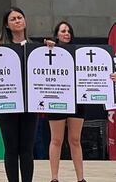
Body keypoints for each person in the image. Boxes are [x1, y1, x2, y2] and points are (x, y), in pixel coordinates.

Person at [0, 7, 36, 182]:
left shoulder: (35, 48)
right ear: (7, 25)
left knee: (27, 149)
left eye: (19, 17)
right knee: (11, 148)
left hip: (29, 104)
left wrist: (49, 50)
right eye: (13, 19)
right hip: (7, 104)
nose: (17, 21)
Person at [45, 21, 86, 182]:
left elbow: (92, 71)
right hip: (57, 98)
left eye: (69, 31)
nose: (67, 33)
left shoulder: (80, 53)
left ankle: (80, 178)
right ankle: (54, 178)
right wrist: (46, 45)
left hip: (76, 100)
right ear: (56, 34)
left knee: (75, 140)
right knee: (56, 140)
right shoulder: (48, 51)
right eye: (63, 31)